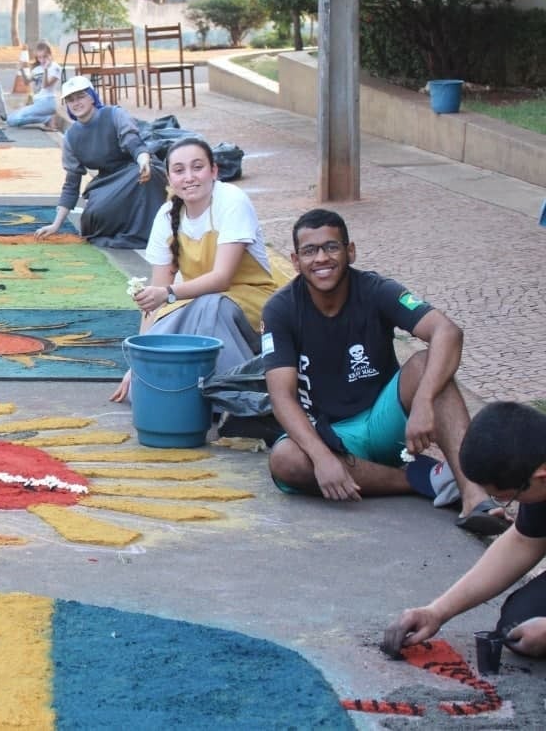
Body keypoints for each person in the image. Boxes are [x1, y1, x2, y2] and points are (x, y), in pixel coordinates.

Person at [262, 208, 507, 535]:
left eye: (332, 247)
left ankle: (475, 498)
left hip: (384, 420)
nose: (321, 258)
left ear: (350, 251)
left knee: (425, 364)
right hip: (330, 433)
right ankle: (424, 479)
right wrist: (321, 457)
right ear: (295, 260)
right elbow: (281, 398)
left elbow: (447, 332)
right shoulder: (280, 309)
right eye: (310, 251)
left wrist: (423, 402)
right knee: (285, 460)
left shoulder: (376, 289)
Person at [111, 136, 277, 402]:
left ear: (214, 171)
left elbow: (221, 279)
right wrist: (138, 359)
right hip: (194, 299)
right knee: (139, 388)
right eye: (179, 170)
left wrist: (168, 293)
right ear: (169, 178)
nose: (189, 177)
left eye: (197, 167)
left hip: (250, 305)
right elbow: (155, 299)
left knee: (211, 305)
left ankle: (239, 394)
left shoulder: (231, 200)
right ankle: (202, 391)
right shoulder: (167, 216)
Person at [384, 403, 546, 659]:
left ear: (541, 476)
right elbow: (523, 542)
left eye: (507, 497)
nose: (511, 505)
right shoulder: (538, 472)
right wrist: (437, 611)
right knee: (518, 626)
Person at [34, 76, 167, 248]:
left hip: (134, 169)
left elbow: (132, 141)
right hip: (107, 182)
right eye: (70, 100)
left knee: (145, 177)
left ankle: (153, 234)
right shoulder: (71, 137)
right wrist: (56, 225)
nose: (76, 103)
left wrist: (143, 159)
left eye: (81, 96)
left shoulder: (114, 114)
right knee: (94, 218)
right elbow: (71, 184)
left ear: (92, 97)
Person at [6, 40, 62, 130]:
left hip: (47, 102)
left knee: (13, 121)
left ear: (50, 55)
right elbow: (26, 81)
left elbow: (45, 85)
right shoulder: (37, 69)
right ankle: (46, 119)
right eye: (39, 57)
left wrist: (46, 70)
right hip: (38, 103)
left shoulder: (55, 68)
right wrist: (21, 70)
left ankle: (47, 119)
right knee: (10, 118)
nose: (42, 60)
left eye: (45, 57)